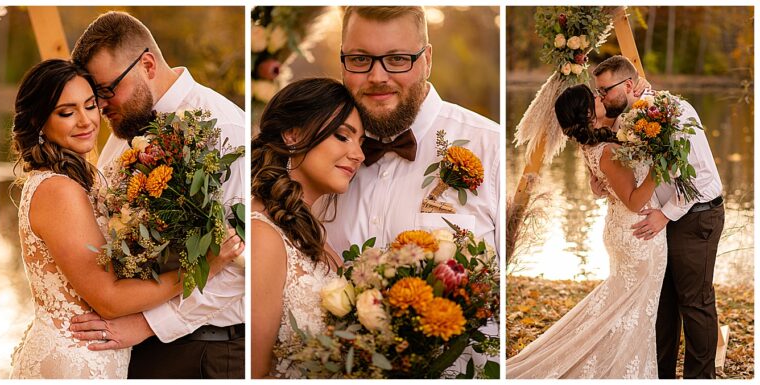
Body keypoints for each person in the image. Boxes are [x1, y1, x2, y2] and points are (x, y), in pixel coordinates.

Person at [7, 59, 243, 379]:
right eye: (67, 112)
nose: (86, 121)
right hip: (74, 360)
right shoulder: (58, 190)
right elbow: (109, 299)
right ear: (38, 122)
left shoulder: (80, 177)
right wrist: (204, 267)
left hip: (98, 353)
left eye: (90, 106)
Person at [65, 11, 247, 379]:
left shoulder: (226, 131)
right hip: (131, 343)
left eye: (105, 89)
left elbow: (242, 264)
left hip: (205, 351)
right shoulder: (121, 133)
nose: (99, 106)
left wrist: (147, 324)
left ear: (147, 64)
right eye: (92, 94)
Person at [324, 6, 500, 375]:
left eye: (397, 59)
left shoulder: (492, 149)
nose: (377, 76)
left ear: (427, 59)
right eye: (360, 59)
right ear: (342, 61)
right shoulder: (314, 157)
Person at [508, 84, 666, 378]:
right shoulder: (605, 150)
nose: (599, 95)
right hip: (639, 234)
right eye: (594, 96)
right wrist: (661, 169)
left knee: (624, 313)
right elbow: (633, 200)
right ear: (589, 114)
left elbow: (607, 186)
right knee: (632, 314)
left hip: (628, 232)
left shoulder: (593, 143)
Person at [591, 55, 725, 379]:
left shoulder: (673, 114)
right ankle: (660, 375)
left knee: (694, 303)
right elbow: (624, 176)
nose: (601, 98)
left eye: (605, 90)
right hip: (662, 222)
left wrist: (664, 216)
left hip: (696, 215)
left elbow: (696, 181)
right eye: (597, 91)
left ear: (627, 85)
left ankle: (700, 377)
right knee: (662, 304)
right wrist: (601, 182)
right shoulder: (625, 124)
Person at [249, 78, 364, 378]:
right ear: (292, 134)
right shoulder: (263, 236)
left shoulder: (316, 241)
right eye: (343, 136)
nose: (359, 155)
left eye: (361, 142)